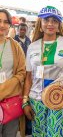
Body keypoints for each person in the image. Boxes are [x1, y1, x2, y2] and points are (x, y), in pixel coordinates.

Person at [22, 5, 63, 137]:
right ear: (40, 23)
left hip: (61, 97)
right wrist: (25, 101)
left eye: (54, 21)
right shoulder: (32, 47)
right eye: (46, 20)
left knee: (57, 134)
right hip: (36, 99)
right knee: (39, 135)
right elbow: (29, 76)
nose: (50, 24)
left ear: (59, 24)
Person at [0, 9, 26, 137]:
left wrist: (4, 89)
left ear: (9, 25)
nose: (2, 25)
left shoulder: (15, 46)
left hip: (10, 102)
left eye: (5, 22)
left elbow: (22, 72)